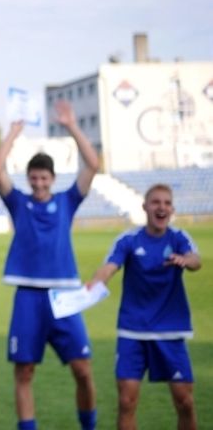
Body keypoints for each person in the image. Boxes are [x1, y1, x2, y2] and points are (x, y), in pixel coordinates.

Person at [0, 99, 100, 430]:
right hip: (28, 296)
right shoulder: (18, 202)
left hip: (65, 295)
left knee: (83, 369)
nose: (38, 183)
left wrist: (71, 125)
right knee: (24, 371)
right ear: (28, 179)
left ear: (52, 178)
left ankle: (89, 425)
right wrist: (14, 132)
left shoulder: (67, 200)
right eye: (33, 178)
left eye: (43, 178)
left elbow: (93, 164)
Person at [87, 184, 201, 430]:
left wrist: (185, 260)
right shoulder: (129, 240)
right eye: (156, 202)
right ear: (145, 207)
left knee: (185, 401)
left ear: (172, 209)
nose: (162, 207)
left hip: (170, 330)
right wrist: (95, 283)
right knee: (126, 401)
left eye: (167, 203)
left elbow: (196, 260)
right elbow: (109, 267)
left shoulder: (179, 238)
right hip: (133, 330)